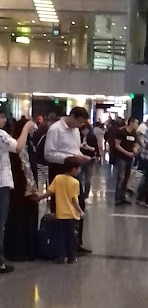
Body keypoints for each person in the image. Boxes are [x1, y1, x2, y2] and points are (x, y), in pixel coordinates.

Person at [44, 106, 92, 253]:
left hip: (74, 171)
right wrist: (70, 158)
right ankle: (59, 245)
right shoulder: (55, 129)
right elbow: (49, 154)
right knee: (60, 207)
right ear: (73, 117)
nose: (80, 126)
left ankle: (75, 242)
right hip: (59, 170)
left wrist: (81, 157)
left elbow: (75, 149)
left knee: (78, 204)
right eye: (80, 122)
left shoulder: (76, 131)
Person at [0, 113, 37, 274]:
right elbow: (18, 147)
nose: (4, 120)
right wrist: (26, 128)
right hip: (2, 184)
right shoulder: (1, 135)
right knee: (1, 224)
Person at [47, 157, 83, 263]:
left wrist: (39, 198)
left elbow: (50, 192)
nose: (79, 170)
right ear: (73, 169)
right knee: (71, 237)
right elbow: (74, 200)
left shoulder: (58, 178)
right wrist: (80, 211)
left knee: (60, 237)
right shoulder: (75, 182)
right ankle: (72, 256)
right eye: (79, 168)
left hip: (60, 214)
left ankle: (61, 256)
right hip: (71, 215)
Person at [113, 116, 138, 206]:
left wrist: (134, 149)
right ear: (131, 123)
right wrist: (127, 152)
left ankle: (123, 196)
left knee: (127, 177)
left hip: (130, 158)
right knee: (121, 177)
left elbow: (135, 144)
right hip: (121, 157)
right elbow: (117, 145)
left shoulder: (134, 133)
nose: (137, 125)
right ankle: (117, 197)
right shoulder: (121, 132)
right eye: (136, 123)